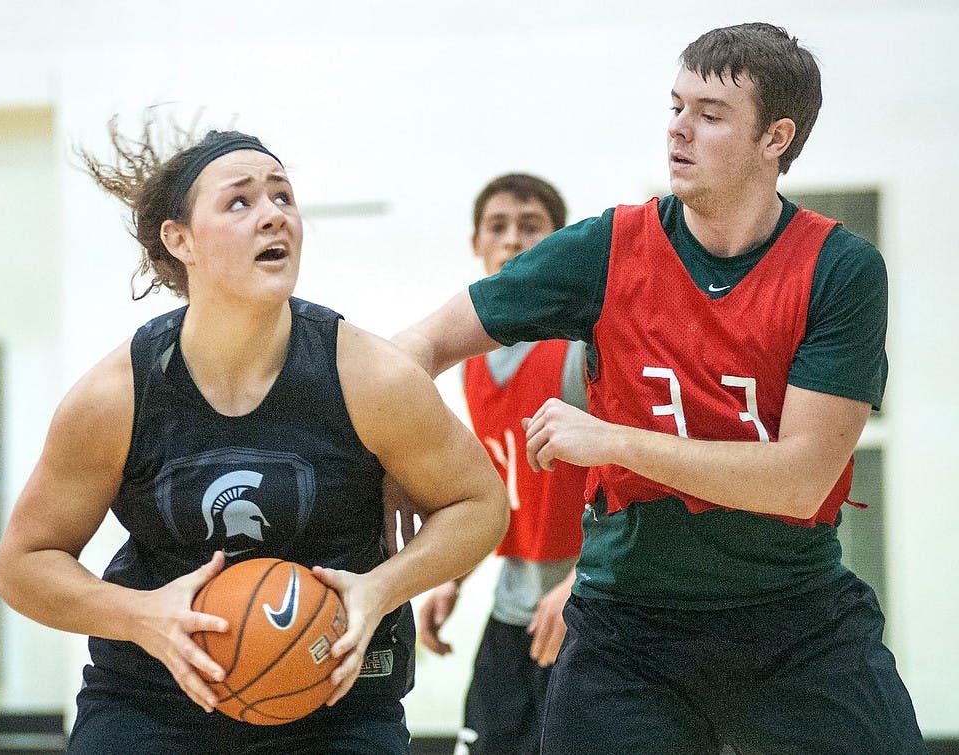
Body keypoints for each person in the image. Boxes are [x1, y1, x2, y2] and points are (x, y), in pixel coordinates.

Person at [393, 22, 926, 754]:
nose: (678, 130)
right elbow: (418, 345)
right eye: (675, 106)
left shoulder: (841, 268)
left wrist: (613, 441)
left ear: (776, 137)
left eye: (709, 115)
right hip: (627, 624)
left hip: (794, 619)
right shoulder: (605, 248)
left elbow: (803, 478)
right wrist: (382, 450)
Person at [0, 116, 509, 755]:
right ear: (179, 238)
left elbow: (479, 504)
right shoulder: (116, 396)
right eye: (240, 201)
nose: (274, 216)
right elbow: (24, 564)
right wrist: (139, 615)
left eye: (283, 196)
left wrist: (384, 585)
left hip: (336, 703)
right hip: (154, 704)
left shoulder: (370, 376)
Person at [416, 174, 588, 755]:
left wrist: (581, 585)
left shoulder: (581, 349)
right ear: (477, 245)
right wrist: (453, 574)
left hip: (588, 606)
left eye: (531, 226)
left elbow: (633, 480)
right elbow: (498, 482)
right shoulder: (471, 362)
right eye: (498, 227)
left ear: (560, 243)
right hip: (516, 605)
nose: (513, 240)